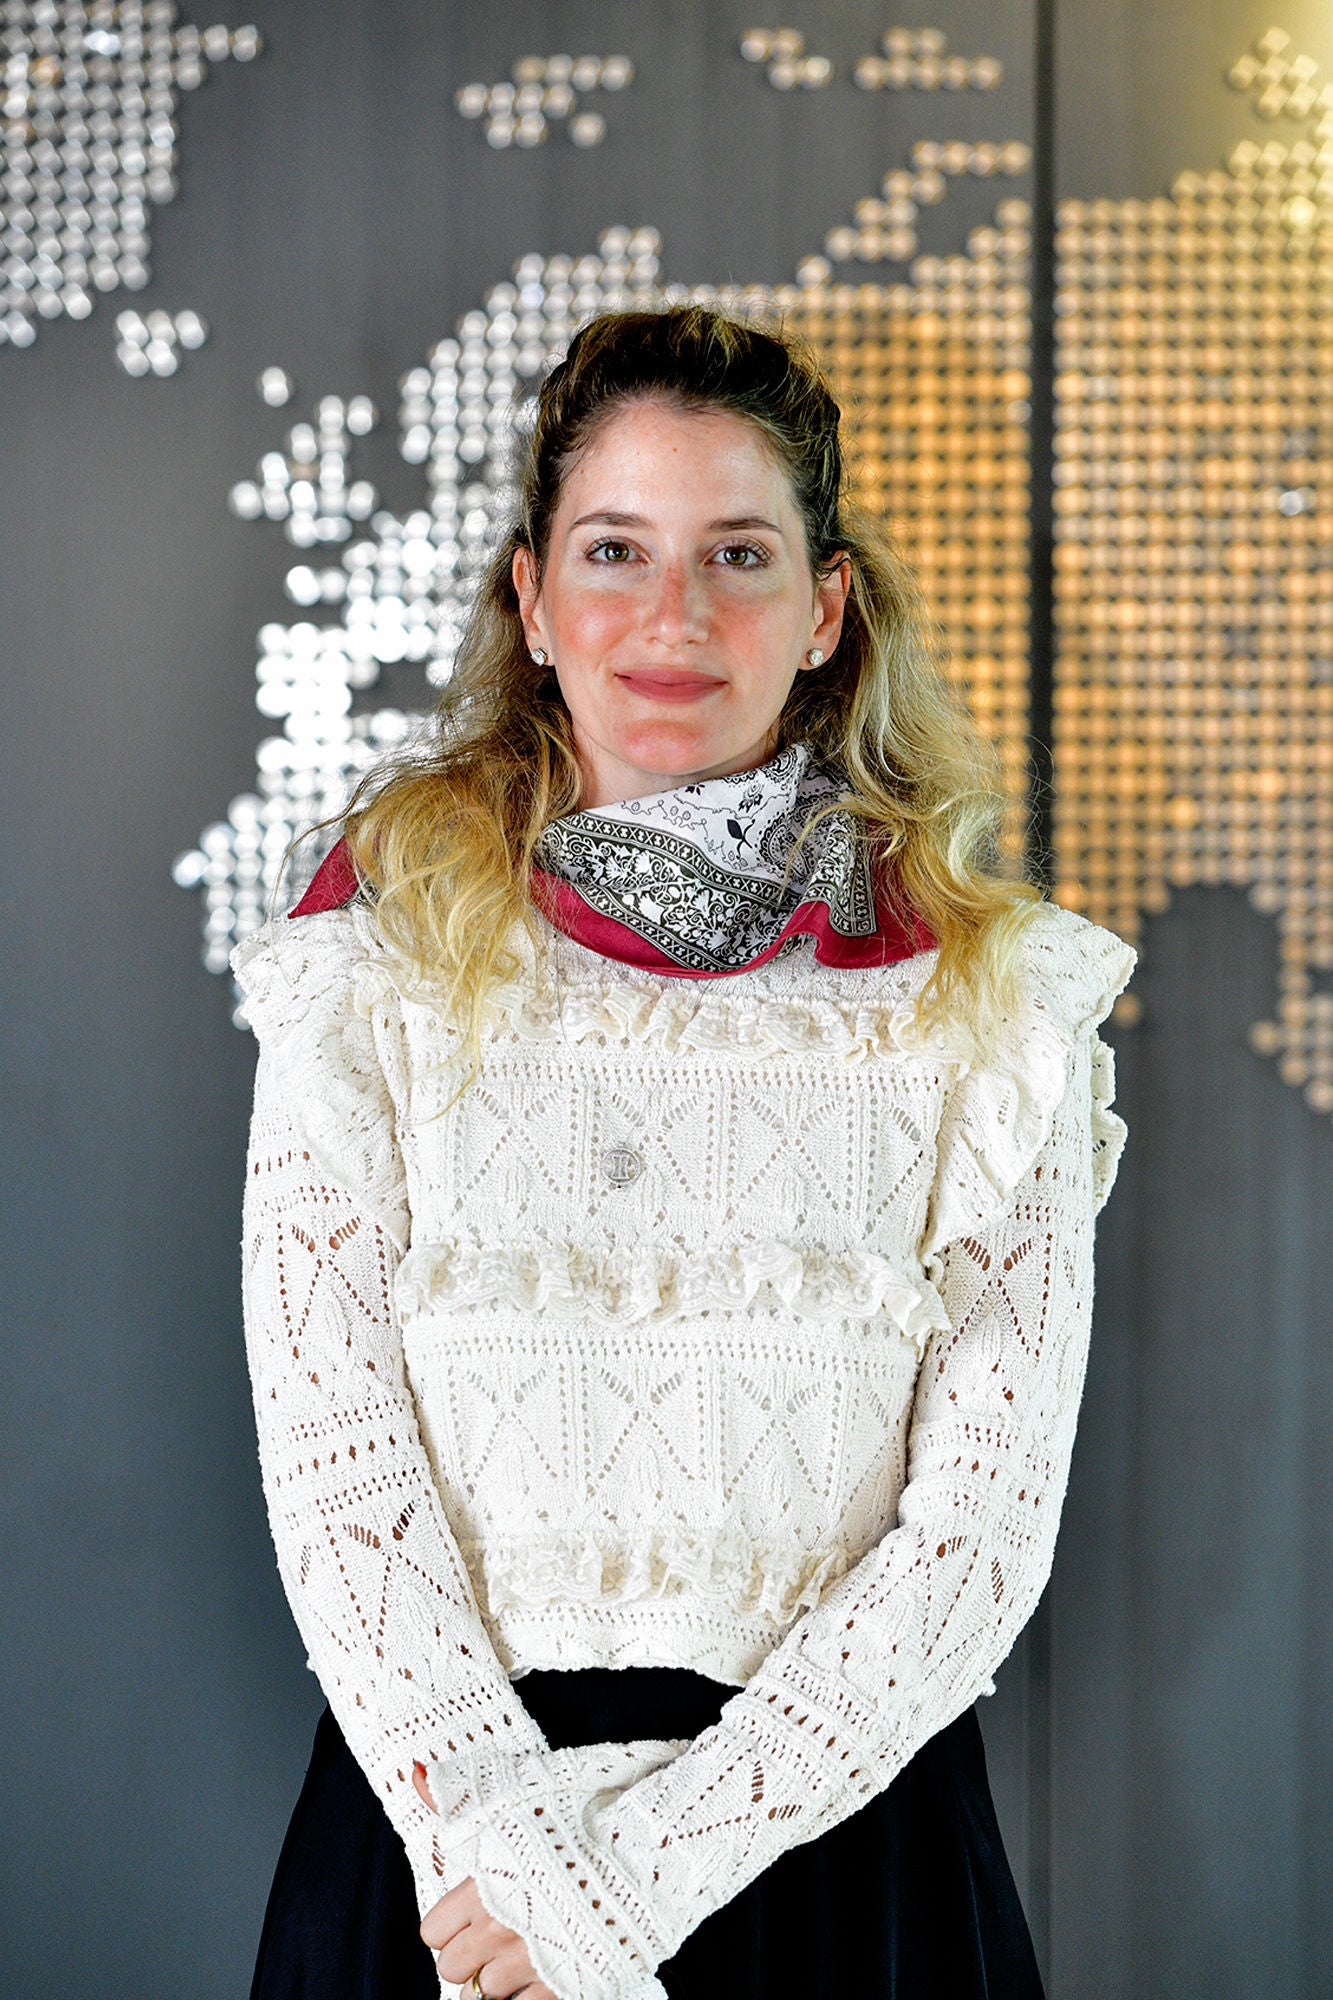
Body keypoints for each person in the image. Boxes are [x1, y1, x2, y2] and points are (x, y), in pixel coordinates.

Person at [234, 304, 1134, 2000]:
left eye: (736, 553)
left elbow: (980, 1538)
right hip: (449, 1874)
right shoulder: (369, 963)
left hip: (838, 1856)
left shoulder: (990, 1001)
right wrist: (504, 1863)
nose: (673, 614)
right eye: (613, 550)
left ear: (824, 608)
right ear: (530, 599)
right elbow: (334, 1469)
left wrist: (639, 1872)